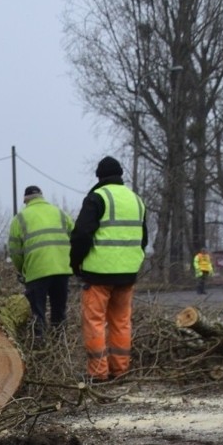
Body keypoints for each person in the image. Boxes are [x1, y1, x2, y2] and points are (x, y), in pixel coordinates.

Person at [70, 156, 147, 381]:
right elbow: (143, 239)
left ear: (99, 177)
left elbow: (81, 234)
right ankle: (120, 370)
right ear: (120, 175)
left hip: (98, 273)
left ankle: (98, 373)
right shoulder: (136, 200)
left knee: (94, 322)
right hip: (127, 273)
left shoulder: (97, 197)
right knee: (121, 321)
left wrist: (75, 263)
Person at [7, 185, 74, 342]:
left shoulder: (20, 218)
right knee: (59, 312)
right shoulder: (60, 213)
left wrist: (23, 270)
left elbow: (15, 252)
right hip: (62, 270)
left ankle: (41, 346)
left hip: (36, 271)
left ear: (26, 200)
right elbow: (75, 236)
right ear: (42, 197)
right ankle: (60, 347)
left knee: (38, 314)